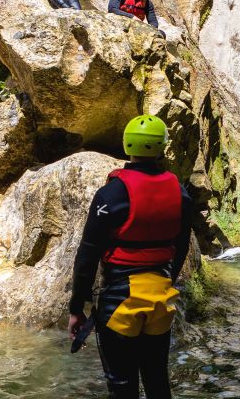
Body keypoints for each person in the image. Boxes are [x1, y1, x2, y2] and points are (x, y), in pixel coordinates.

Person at [68, 115, 193, 399]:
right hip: (160, 299)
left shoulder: (110, 194)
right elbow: (181, 247)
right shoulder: (179, 192)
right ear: (162, 148)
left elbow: (88, 254)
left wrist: (77, 309)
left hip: (120, 300)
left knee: (122, 387)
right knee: (157, 381)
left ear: (127, 145)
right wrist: (166, 280)